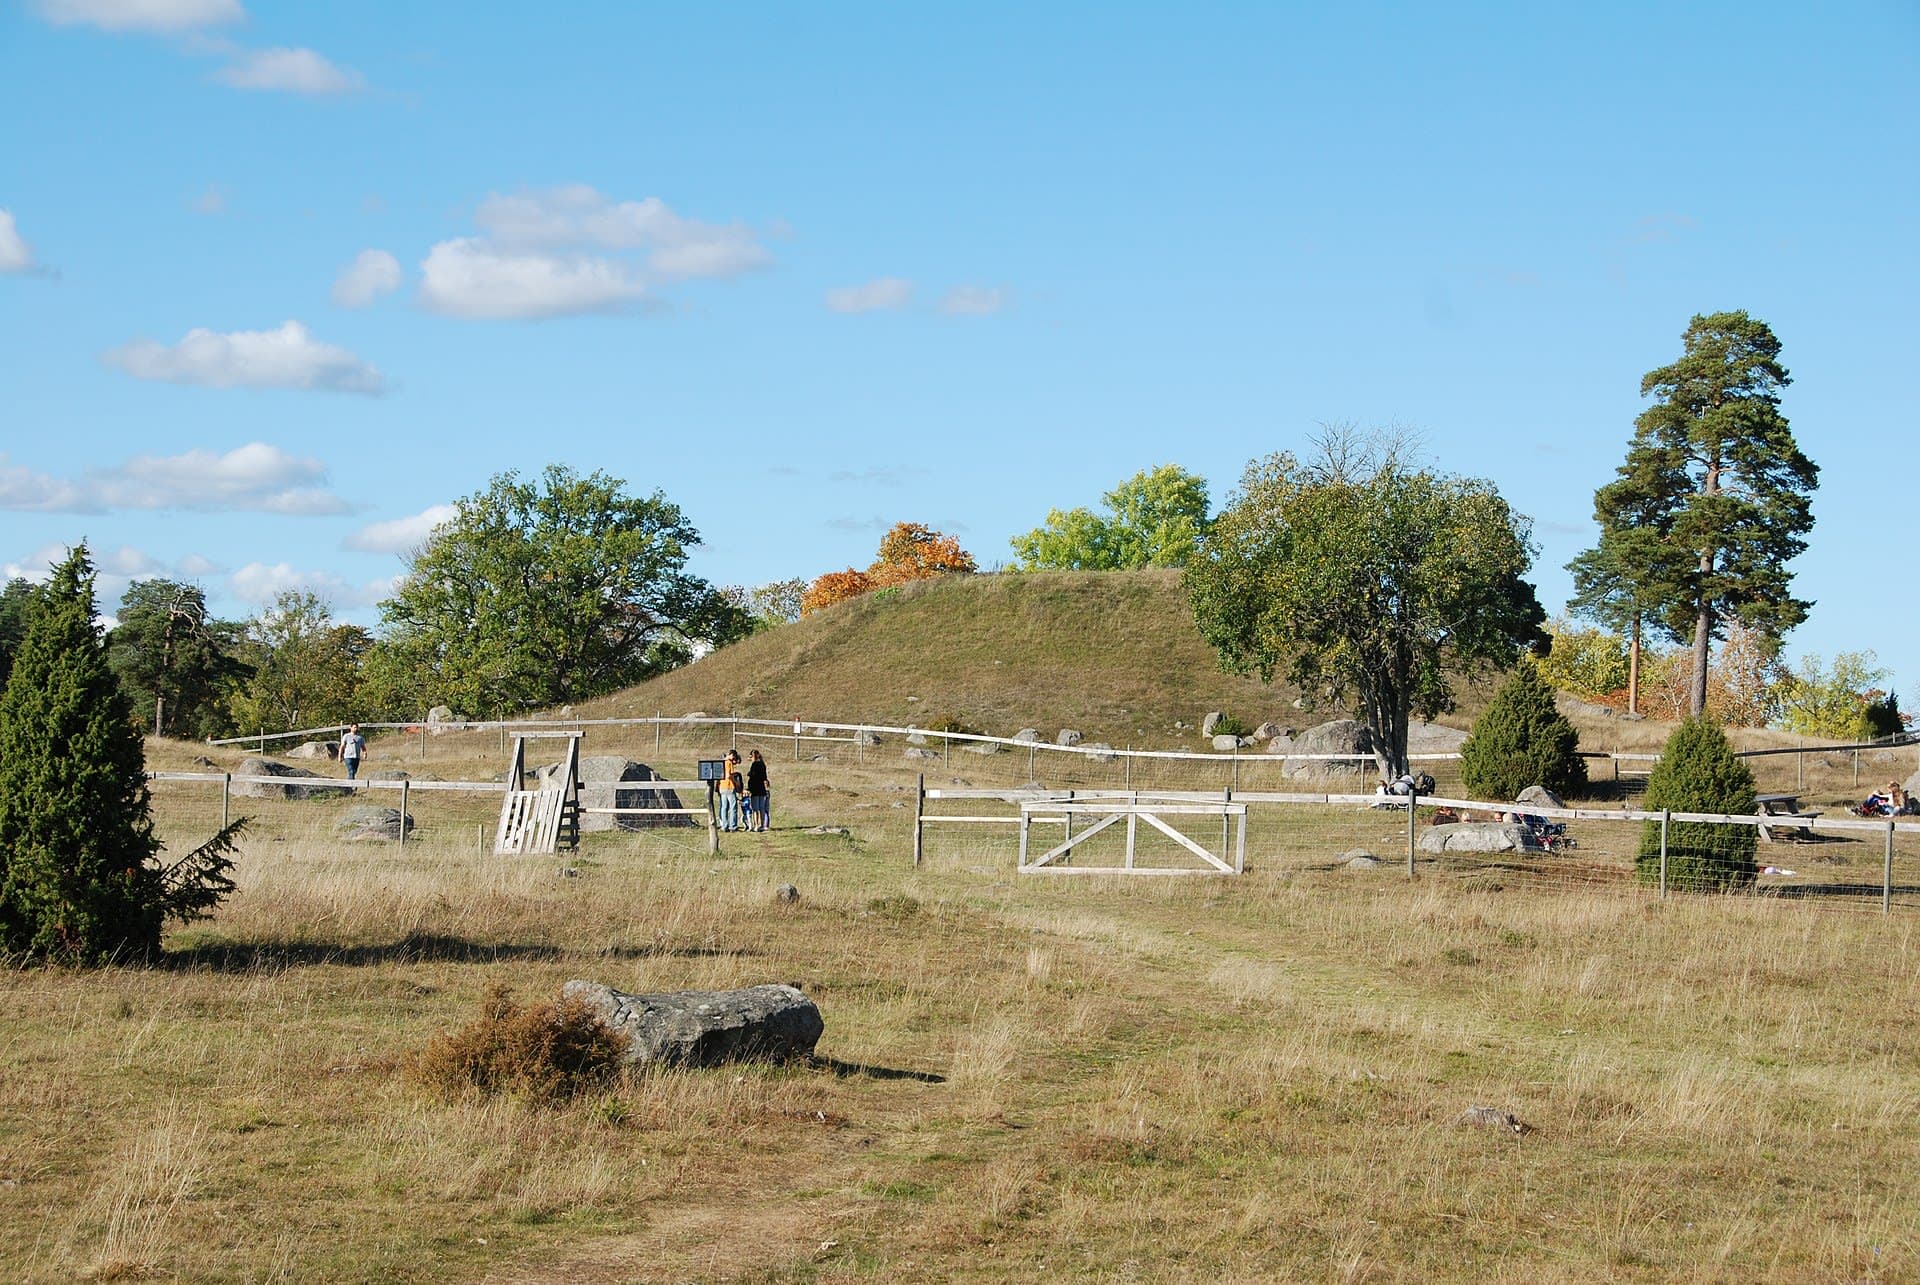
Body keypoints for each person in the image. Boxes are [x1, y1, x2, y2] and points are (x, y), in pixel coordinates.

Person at [716, 749, 742, 830]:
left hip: (722, 786)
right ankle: (733, 826)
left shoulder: (722, 762)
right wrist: (736, 782)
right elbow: (728, 775)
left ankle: (724, 825)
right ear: (732, 755)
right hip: (729, 786)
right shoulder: (729, 763)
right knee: (733, 807)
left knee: (724, 807)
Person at [746, 749, 771, 831]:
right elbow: (764, 777)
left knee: (755, 809)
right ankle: (763, 824)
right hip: (762, 789)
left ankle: (756, 825)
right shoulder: (762, 764)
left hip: (755, 788)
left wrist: (749, 774)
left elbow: (753, 775)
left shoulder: (754, 764)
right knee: (762, 808)